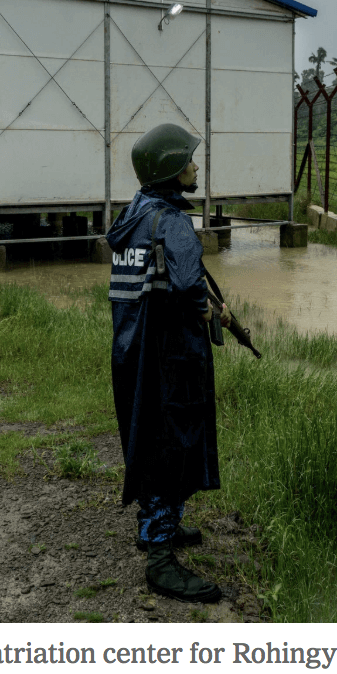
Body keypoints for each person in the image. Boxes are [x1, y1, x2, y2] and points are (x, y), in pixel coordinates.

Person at [107, 123, 231, 603]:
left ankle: (155, 526)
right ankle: (160, 558)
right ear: (171, 169)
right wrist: (208, 310)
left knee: (148, 437)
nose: (195, 166)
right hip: (170, 358)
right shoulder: (174, 223)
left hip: (132, 353)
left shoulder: (132, 219)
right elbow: (184, 286)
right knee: (174, 445)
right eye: (189, 161)